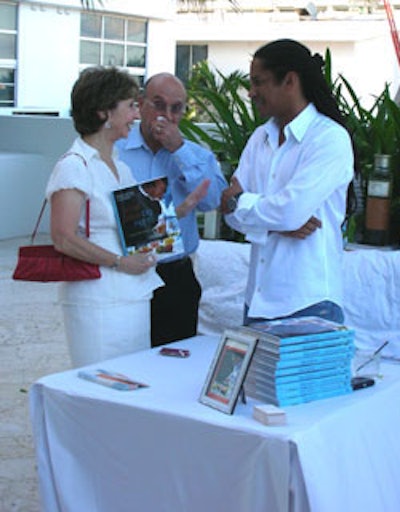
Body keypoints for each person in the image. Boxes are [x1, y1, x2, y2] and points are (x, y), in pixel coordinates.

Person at [46, 67, 206, 368]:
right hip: (98, 299)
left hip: (135, 294)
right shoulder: (74, 166)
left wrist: (181, 212)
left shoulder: (120, 167)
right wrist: (120, 262)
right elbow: (63, 238)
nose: (136, 114)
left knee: (134, 381)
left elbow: (138, 228)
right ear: (105, 112)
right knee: (101, 384)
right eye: (131, 105)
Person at [221, 39, 355, 326]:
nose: (251, 92)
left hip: (308, 304)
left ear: (290, 81)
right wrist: (275, 224)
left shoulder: (328, 138)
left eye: (259, 82)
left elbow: (288, 212)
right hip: (256, 302)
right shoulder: (259, 138)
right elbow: (228, 211)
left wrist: (245, 205)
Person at [116, 72, 228, 347]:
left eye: (176, 108)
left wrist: (179, 150)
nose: (166, 115)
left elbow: (213, 200)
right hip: (126, 273)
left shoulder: (197, 155)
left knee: (173, 362)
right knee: (125, 360)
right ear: (140, 104)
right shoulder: (115, 150)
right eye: (158, 104)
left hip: (175, 276)